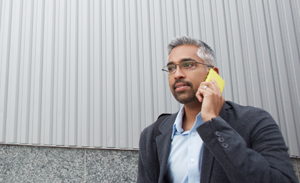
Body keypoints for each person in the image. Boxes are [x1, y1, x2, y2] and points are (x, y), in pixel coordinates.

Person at [137, 36, 298, 183]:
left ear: (213, 74)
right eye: (171, 68)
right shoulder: (152, 134)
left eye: (188, 64)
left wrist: (213, 122)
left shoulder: (255, 121)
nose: (177, 74)